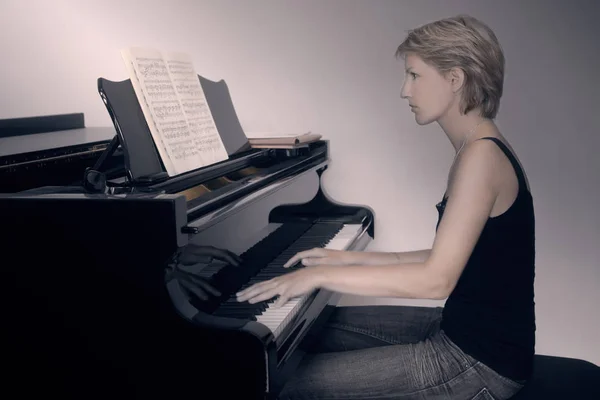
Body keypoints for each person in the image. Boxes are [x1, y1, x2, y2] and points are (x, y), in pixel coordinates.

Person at [236, 14, 535, 400]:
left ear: (455, 79)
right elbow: (455, 258)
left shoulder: (481, 158)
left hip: (477, 363)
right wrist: (345, 261)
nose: (404, 91)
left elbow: (437, 280)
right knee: (316, 328)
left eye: (414, 75)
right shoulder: (479, 147)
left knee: (284, 385)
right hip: (460, 331)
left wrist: (317, 277)